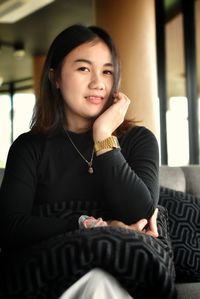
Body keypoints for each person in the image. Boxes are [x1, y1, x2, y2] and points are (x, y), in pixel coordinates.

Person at [0, 24, 177, 299]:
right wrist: (87, 224)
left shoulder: (139, 140)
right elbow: (10, 228)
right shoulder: (28, 148)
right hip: (55, 274)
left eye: (107, 71)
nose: (98, 83)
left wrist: (104, 136)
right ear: (55, 77)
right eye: (83, 69)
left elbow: (140, 214)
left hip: (126, 273)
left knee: (101, 284)